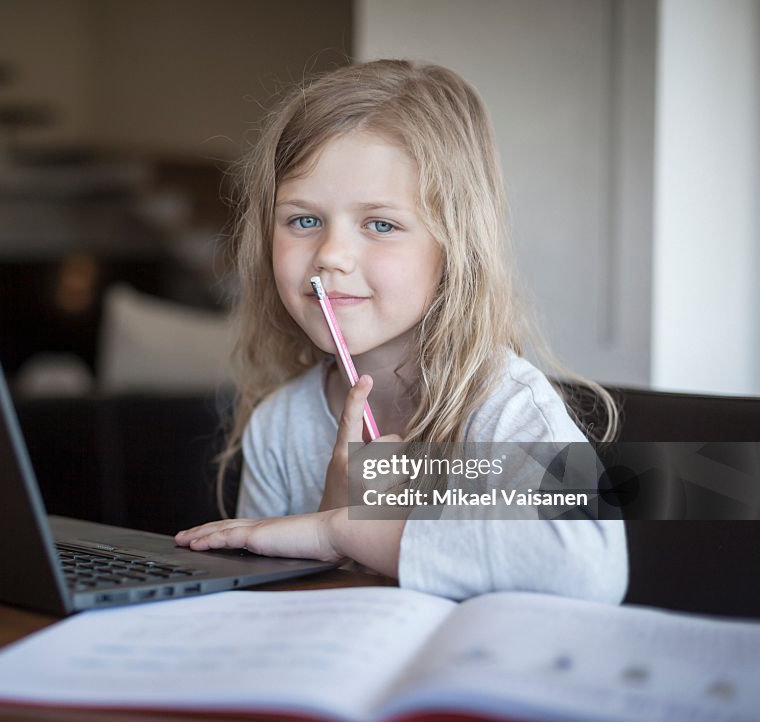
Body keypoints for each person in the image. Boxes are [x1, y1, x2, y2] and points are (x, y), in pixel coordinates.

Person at [174, 60, 628, 604]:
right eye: (303, 220)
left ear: (456, 248)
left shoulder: (506, 406)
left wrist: (341, 531)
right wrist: (332, 507)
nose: (331, 255)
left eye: (380, 224)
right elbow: (257, 609)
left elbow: (590, 568)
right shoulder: (282, 426)